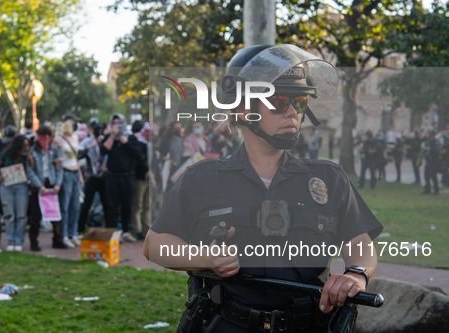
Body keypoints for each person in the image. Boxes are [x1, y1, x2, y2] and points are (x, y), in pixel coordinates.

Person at [144, 44, 382, 332]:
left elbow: (360, 244)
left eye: (300, 102)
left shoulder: (329, 179)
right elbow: (155, 244)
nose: (293, 112)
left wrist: (356, 275)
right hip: (229, 324)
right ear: (244, 109)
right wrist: (204, 258)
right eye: (280, 101)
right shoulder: (201, 178)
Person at [102, 113, 143, 242]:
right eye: (114, 123)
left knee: (127, 205)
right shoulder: (109, 137)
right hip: (112, 176)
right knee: (112, 206)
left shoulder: (130, 138)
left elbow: (139, 155)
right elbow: (103, 151)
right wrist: (112, 136)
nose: (117, 126)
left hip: (128, 176)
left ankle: (125, 231)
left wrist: (126, 143)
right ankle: (113, 232)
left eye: (119, 123)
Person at [27, 125, 64, 251]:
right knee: (35, 214)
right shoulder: (32, 151)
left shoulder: (54, 150)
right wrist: (39, 185)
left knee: (55, 213)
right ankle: (34, 241)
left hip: (51, 182)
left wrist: (58, 184)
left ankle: (58, 239)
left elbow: (59, 168)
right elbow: (30, 170)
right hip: (39, 184)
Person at [54, 114, 84, 248]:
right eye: (74, 122)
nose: (76, 125)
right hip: (65, 173)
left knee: (75, 206)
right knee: (64, 206)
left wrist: (80, 175)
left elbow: (76, 159)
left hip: (75, 172)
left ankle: (73, 233)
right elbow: (53, 158)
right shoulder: (58, 139)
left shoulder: (76, 137)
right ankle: (64, 235)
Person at [0, 134, 31, 252]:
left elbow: (32, 170)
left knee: (21, 215)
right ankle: (10, 239)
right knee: (9, 214)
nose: (27, 148)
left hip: (21, 185)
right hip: (7, 185)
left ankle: (19, 240)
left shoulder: (27, 156)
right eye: (24, 145)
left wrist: (30, 160)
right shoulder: (6, 153)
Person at [77, 121, 108, 234]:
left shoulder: (105, 140)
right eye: (96, 129)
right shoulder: (87, 142)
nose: (98, 131)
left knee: (106, 204)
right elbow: (79, 154)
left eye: (99, 129)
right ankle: (80, 229)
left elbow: (110, 154)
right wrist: (91, 146)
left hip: (103, 177)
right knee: (87, 204)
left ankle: (108, 229)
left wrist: (106, 167)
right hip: (91, 177)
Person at [132, 123, 157, 240]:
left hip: (149, 178)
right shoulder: (139, 143)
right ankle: (137, 230)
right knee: (138, 204)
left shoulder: (151, 145)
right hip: (141, 178)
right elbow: (141, 162)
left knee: (147, 205)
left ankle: (148, 228)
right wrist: (150, 174)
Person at [420, 127, 440, 195]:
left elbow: (436, 150)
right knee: (426, 175)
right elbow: (425, 150)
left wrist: (427, 148)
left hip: (434, 161)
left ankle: (436, 190)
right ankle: (427, 189)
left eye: (428, 133)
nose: (427, 134)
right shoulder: (427, 141)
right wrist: (423, 151)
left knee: (433, 176)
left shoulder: (435, 141)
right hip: (428, 161)